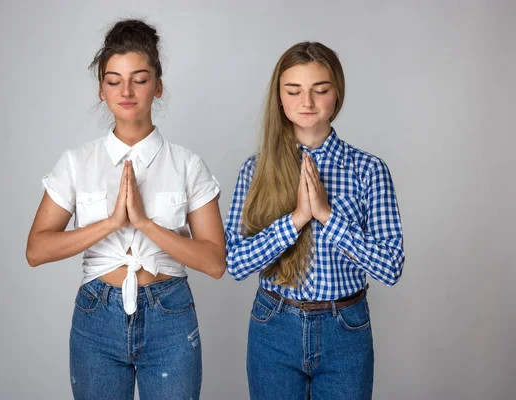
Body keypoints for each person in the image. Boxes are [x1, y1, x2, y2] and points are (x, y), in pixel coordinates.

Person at [26, 19, 225, 400]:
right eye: (114, 81)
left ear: (159, 86)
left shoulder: (187, 164)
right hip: (97, 316)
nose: (127, 90)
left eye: (140, 78)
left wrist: (145, 224)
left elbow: (215, 262)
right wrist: (112, 222)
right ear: (101, 90)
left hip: (170, 316)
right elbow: (37, 250)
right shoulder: (76, 162)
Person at [225, 41, 405, 400]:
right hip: (274, 326)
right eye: (294, 91)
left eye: (320, 90)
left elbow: (390, 267)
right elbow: (235, 262)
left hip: (346, 329)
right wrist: (295, 221)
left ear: (336, 93)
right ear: (279, 97)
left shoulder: (368, 170)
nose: (307, 102)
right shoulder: (255, 171)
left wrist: (326, 215)